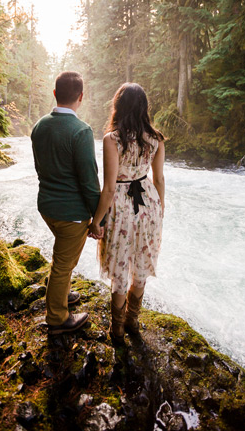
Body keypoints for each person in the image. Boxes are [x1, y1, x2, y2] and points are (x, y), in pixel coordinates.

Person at [90, 83, 165, 342]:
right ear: (144, 107)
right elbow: (160, 180)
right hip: (149, 203)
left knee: (121, 266)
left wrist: (96, 221)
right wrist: (161, 211)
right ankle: (133, 321)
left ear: (119, 106)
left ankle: (118, 329)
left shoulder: (113, 139)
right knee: (141, 264)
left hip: (122, 205)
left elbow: (109, 188)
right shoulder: (155, 138)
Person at [31, 71, 100, 335]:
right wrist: (98, 219)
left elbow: (40, 168)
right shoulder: (81, 131)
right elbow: (89, 182)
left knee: (63, 258)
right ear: (81, 97)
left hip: (47, 207)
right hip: (71, 213)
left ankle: (59, 295)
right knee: (62, 264)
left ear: (54, 93)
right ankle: (58, 318)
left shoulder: (39, 126)